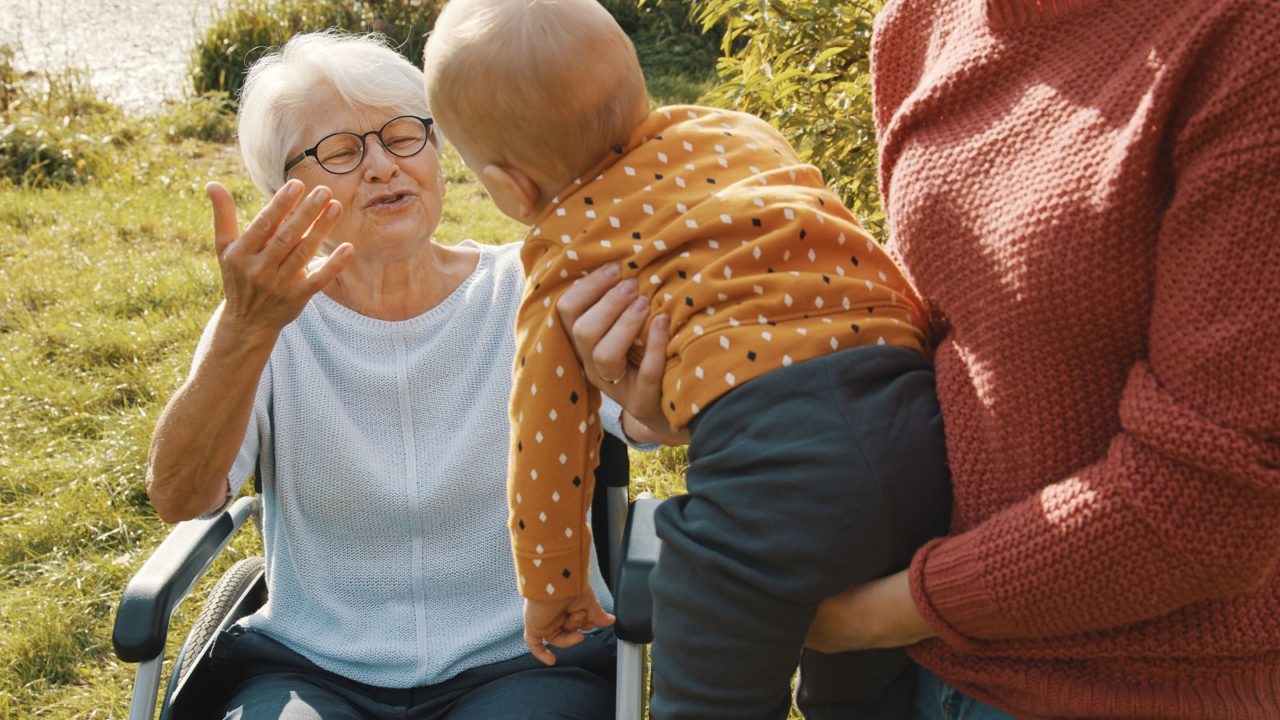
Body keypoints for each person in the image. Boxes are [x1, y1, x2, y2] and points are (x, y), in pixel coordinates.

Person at [569, 0, 1280, 718]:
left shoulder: (1247, 39)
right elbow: (939, 327)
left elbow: (1206, 505)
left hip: (1130, 687)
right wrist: (725, 387)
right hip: (913, 671)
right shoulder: (923, 20)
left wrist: (880, 613)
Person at [422, 1, 952, 717]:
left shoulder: (562, 256)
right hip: (915, 424)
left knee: (708, 673)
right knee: (866, 685)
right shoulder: (738, 133)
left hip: (770, 469)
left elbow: (548, 439)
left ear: (512, 186)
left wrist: (554, 584)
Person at [144, 30, 658, 720]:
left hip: (527, 659)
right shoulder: (263, 319)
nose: (384, 167)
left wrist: (643, 378)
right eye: (343, 150)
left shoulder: (532, 288)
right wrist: (245, 330)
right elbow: (181, 497)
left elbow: (656, 425)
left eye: (405, 136)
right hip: (313, 669)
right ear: (282, 191)